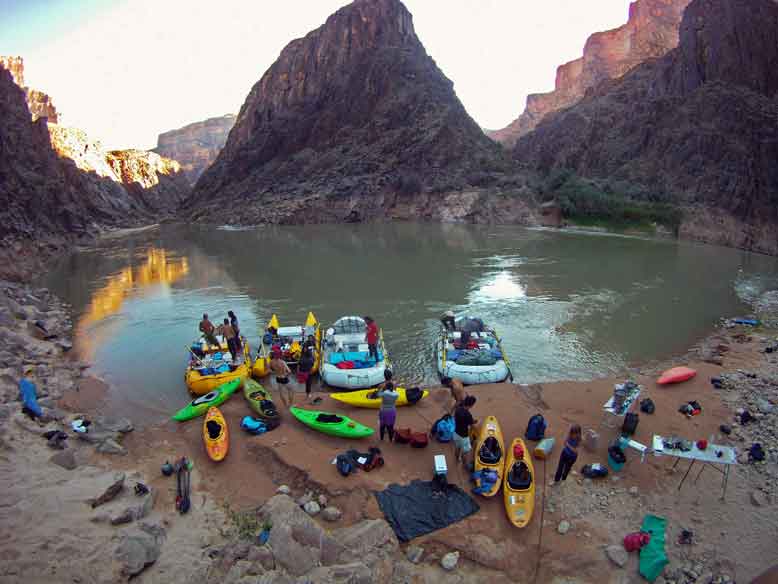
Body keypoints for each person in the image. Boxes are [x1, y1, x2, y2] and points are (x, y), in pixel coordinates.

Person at [374, 370, 399, 442]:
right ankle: (390, 438)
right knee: (390, 425)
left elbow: (378, 395)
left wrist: (381, 390)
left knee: (382, 425)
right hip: (392, 408)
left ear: (384, 376)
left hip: (383, 408)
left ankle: (382, 438)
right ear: (391, 376)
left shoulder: (381, 385)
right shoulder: (395, 384)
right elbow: (394, 391)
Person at [453, 395, 478, 465]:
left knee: (457, 447)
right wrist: (476, 423)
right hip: (463, 436)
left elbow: (467, 421)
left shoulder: (458, 409)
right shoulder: (468, 415)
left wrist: (472, 421)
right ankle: (464, 464)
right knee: (465, 452)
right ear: (471, 405)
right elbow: (472, 426)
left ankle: (457, 459)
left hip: (456, 433)